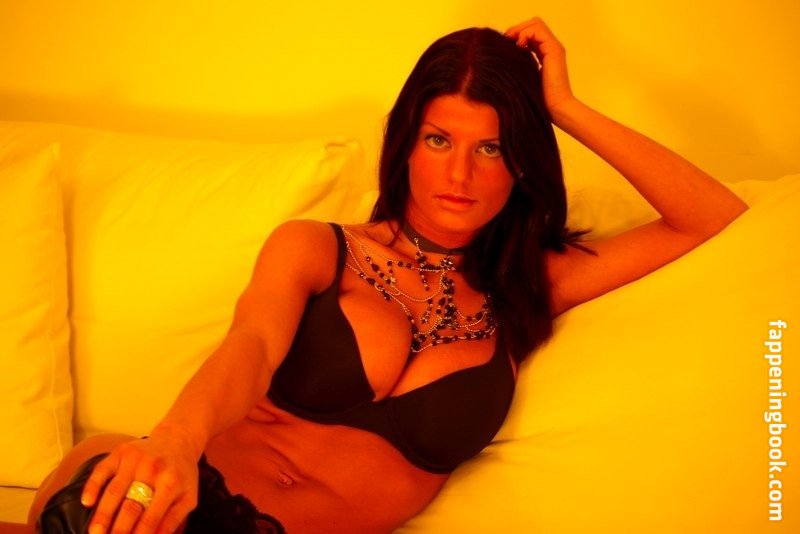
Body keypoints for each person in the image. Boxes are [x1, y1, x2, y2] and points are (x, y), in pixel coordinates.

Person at [20, 16, 747, 534]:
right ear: (406, 142)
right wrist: (174, 442)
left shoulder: (530, 286)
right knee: (92, 509)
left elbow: (710, 215)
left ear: (522, 162)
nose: (458, 176)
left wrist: (564, 108)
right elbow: (251, 345)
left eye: (490, 149)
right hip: (190, 501)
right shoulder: (316, 248)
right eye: (439, 140)